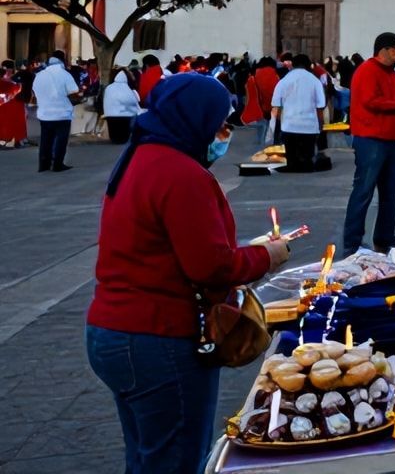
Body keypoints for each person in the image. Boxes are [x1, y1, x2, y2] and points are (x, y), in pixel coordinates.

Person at [86, 73, 295, 474]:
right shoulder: (181, 174)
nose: (226, 131)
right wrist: (267, 256)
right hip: (157, 337)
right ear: (192, 118)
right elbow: (210, 266)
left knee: (148, 455)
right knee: (177, 459)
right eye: (220, 122)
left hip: (111, 329)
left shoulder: (137, 158)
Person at [342, 32, 395, 253]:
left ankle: (384, 237)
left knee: (391, 192)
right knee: (363, 191)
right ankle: (352, 242)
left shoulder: (394, 75)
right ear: (383, 50)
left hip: (391, 140)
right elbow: (370, 101)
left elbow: (390, 102)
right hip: (370, 139)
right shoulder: (367, 70)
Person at [271, 52, 329, 172]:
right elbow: (320, 107)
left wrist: (281, 123)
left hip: (289, 126)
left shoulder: (283, 81)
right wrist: (320, 125)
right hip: (309, 127)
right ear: (308, 65)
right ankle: (306, 165)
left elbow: (276, 106)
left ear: (293, 65)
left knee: (291, 160)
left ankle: (292, 165)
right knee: (307, 161)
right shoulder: (315, 81)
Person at [33, 49, 81, 172]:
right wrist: (79, 98)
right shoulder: (65, 74)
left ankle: (43, 165)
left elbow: (34, 93)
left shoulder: (40, 75)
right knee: (61, 140)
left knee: (45, 140)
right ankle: (57, 164)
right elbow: (73, 93)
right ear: (63, 61)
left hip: (44, 114)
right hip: (62, 114)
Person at [239, 57, 280, 146]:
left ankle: (260, 146)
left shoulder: (252, 78)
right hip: (272, 110)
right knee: (271, 133)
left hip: (258, 110)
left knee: (261, 131)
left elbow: (248, 97)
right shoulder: (276, 77)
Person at [101, 68, 143, 144]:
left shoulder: (109, 88)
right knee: (123, 132)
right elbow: (131, 100)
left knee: (113, 130)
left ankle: (114, 139)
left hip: (110, 114)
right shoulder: (127, 88)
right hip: (125, 115)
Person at [0, 62, 26, 148]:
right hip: (16, 104)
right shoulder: (18, 79)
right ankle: (16, 140)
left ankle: (7, 140)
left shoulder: (6, 80)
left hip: (6, 104)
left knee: (6, 122)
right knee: (15, 122)